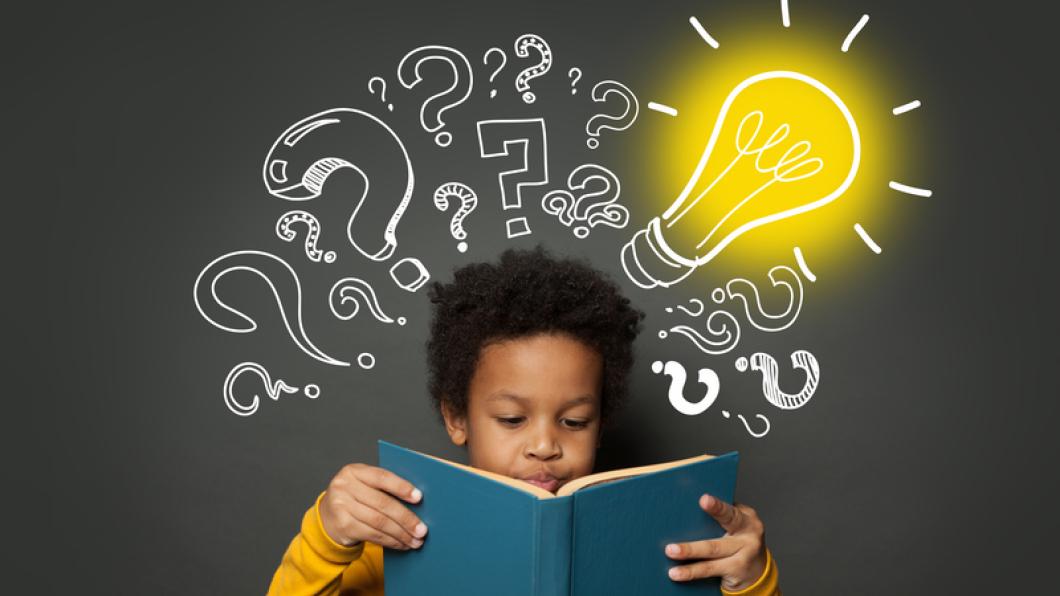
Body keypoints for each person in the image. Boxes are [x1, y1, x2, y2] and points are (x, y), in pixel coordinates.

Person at [268, 247, 780, 594]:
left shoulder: (673, 540)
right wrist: (326, 537)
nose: (544, 445)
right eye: (512, 419)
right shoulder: (390, 536)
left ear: (602, 425)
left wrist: (750, 580)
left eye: (575, 422)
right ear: (456, 416)